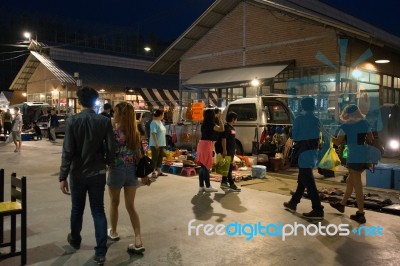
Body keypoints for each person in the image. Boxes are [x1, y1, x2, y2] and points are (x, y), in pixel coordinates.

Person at [59, 86, 116, 265]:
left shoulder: (72, 121)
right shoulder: (104, 121)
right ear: (95, 101)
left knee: (77, 208)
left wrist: (63, 176)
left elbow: (68, 150)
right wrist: (109, 162)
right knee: (98, 210)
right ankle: (100, 252)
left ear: (79, 101)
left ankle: (75, 239)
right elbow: (111, 147)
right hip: (98, 172)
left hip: (77, 173)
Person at [107, 102, 152, 254]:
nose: (114, 114)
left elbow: (108, 152)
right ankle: (138, 239)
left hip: (116, 171)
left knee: (114, 202)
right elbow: (139, 156)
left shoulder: (113, 132)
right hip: (131, 171)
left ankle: (113, 232)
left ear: (120, 115)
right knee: (130, 206)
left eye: (116, 112)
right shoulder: (135, 133)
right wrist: (144, 175)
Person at [330, 104, 378, 224]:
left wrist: (327, 135)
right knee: (349, 181)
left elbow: (337, 142)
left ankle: (361, 214)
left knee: (358, 186)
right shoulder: (365, 123)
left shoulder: (345, 126)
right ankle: (342, 204)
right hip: (364, 155)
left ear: (348, 114)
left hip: (354, 155)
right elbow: (371, 138)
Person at [283, 97, 324, 220]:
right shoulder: (316, 120)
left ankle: (317, 209)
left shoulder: (299, 119)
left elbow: (295, 135)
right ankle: (293, 203)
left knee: (308, 181)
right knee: (303, 178)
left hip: (303, 152)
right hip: (313, 152)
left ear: (302, 107)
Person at [197, 108, 224, 193]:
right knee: (206, 167)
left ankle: (201, 186)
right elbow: (221, 129)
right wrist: (220, 118)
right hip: (207, 145)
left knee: (202, 167)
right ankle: (208, 186)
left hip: (201, 144)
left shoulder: (204, 124)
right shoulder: (212, 124)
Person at [216, 111, 241, 192]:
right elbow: (224, 139)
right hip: (227, 151)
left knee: (227, 167)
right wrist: (224, 150)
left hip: (231, 150)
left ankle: (224, 182)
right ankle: (231, 184)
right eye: (236, 119)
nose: (236, 121)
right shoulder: (226, 127)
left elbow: (232, 139)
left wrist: (234, 149)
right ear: (233, 119)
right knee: (228, 167)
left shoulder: (231, 128)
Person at [149, 109, 168, 177]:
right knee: (154, 158)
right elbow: (153, 133)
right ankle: (153, 172)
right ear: (160, 115)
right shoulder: (153, 122)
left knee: (160, 158)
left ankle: (159, 171)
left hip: (162, 143)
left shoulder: (160, 122)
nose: (163, 116)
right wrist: (156, 143)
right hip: (155, 144)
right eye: (163, 114)